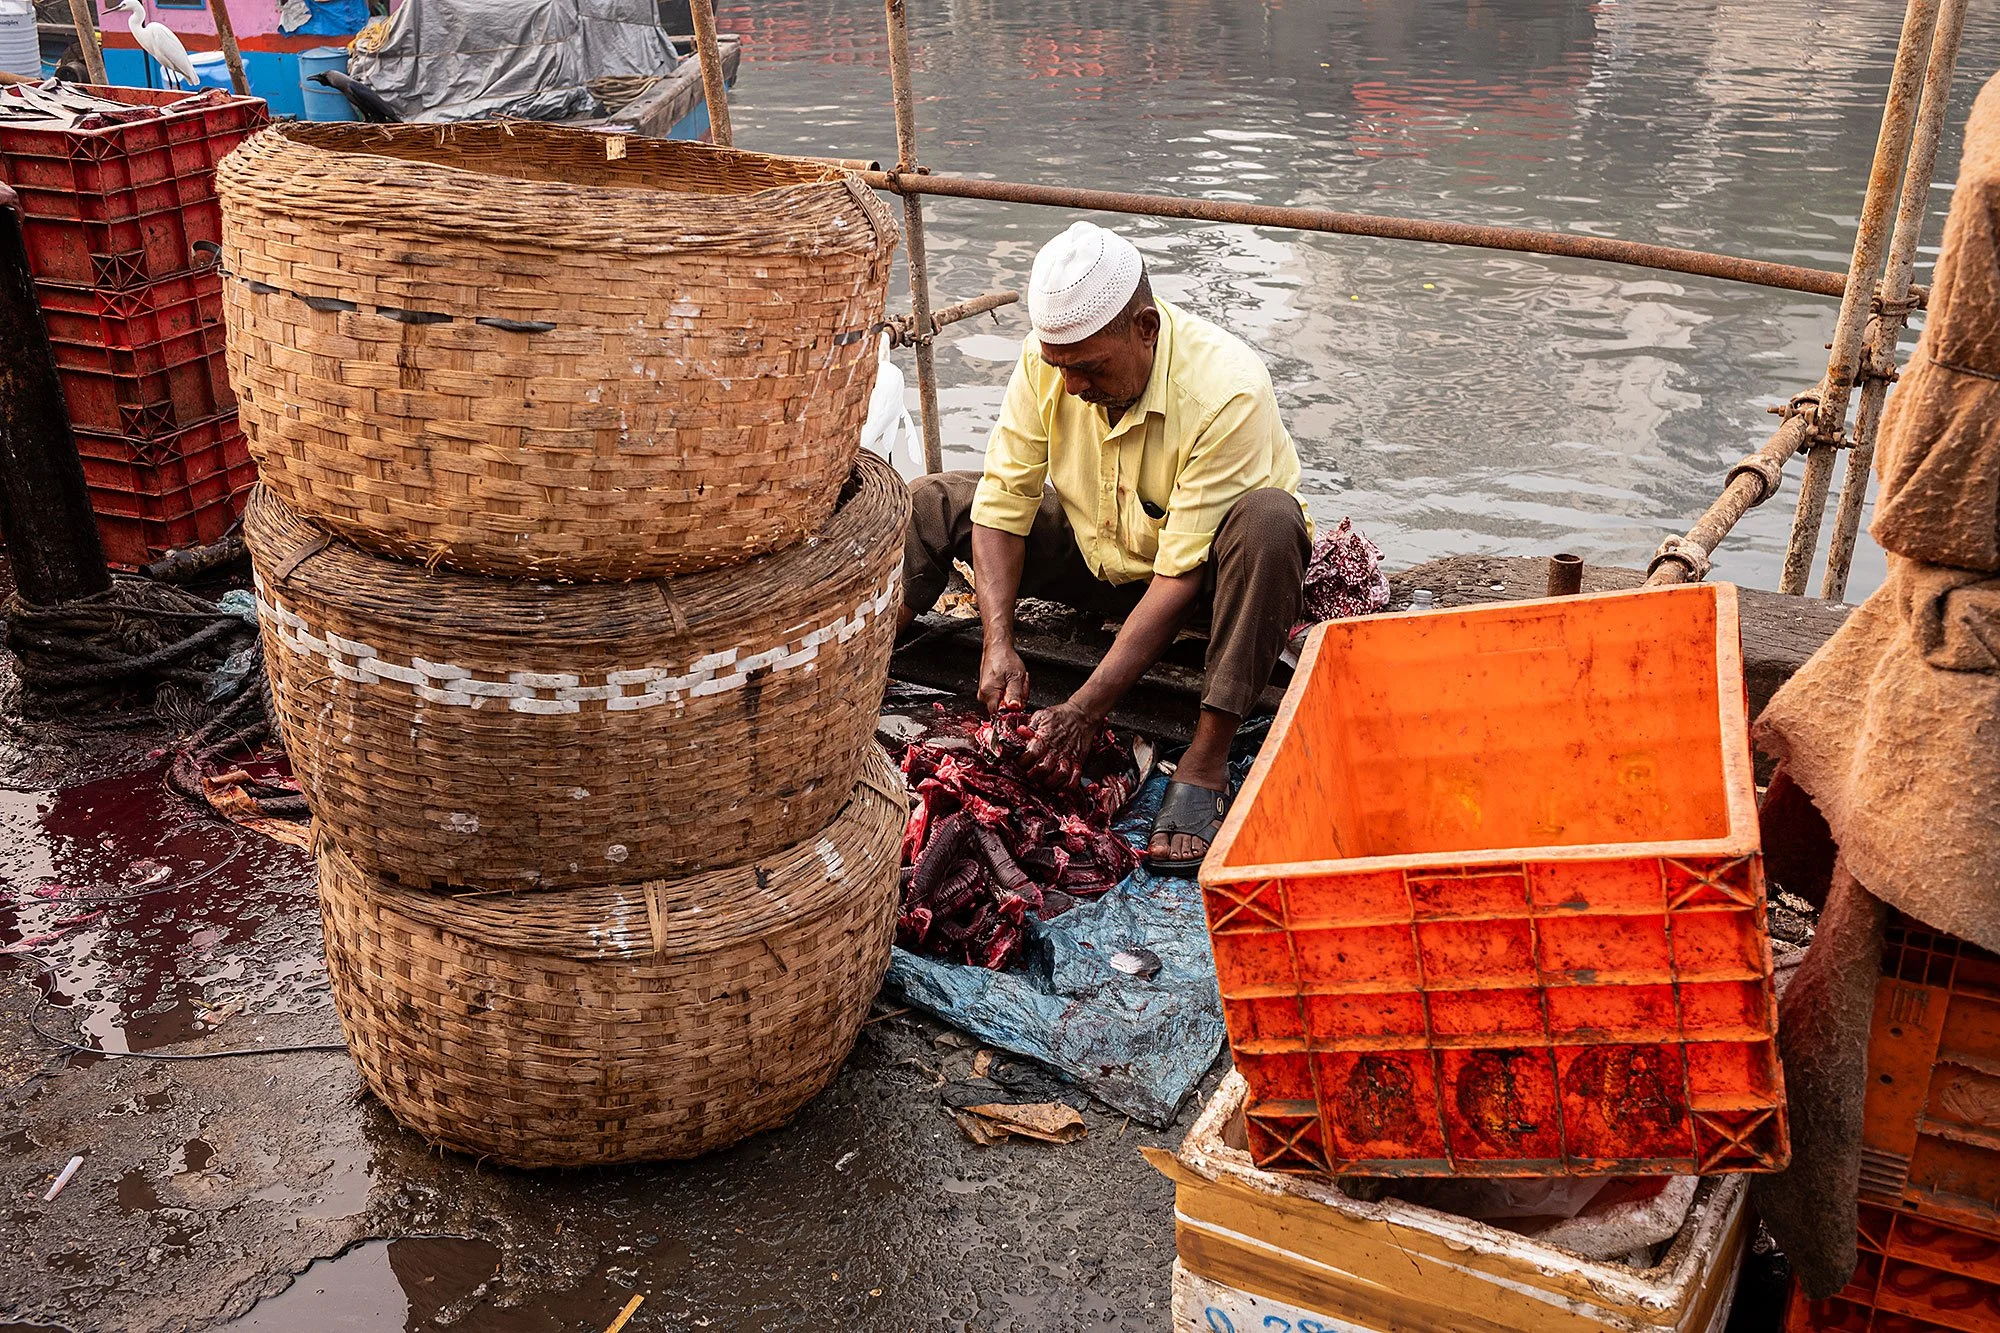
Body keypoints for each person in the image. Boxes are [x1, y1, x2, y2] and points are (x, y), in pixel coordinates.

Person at [898, 221, 1311, 875]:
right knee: (933, 501)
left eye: (1088, 368)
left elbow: (1176, 576)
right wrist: (998, 642)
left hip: (1204, 582)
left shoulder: (1227, 389)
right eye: (1061, 367)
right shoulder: (1052, 363)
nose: (1073, 388)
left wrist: (1084, 710)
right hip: (1103, 553)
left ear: (1145, 328)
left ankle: (1206, 758)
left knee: (1271, 522)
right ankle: (864, 670)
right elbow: (1004, 505)